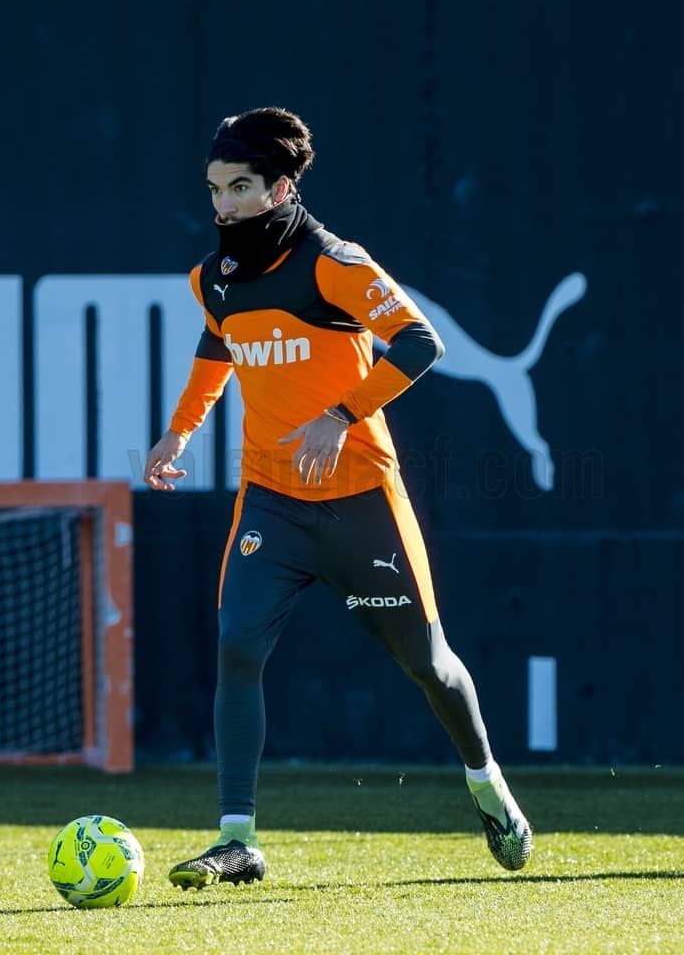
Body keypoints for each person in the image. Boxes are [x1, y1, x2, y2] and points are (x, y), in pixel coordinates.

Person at [145, 107, 532, 890]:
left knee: (429, 664)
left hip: (360, 499)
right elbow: (218, 348)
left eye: (241, 187)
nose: (224, 204)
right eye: (216, 188)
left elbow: (423, 343)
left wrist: (341, 414)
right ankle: (238, 840)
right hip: (272, 504)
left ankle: (488, 784)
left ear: (281, 185)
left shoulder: (333, 263)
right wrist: (178, 433)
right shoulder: (211, 278)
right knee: (238, 649)